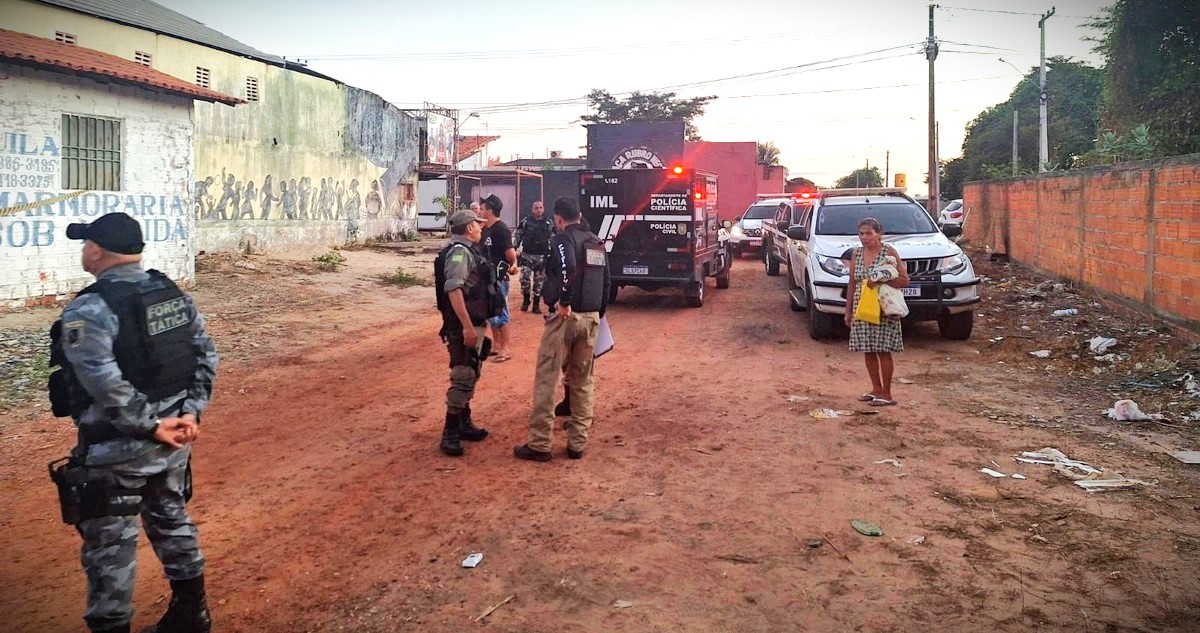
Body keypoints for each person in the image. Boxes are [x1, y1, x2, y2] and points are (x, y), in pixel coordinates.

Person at [46, 212, 218, 633]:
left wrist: (149, 425)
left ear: (97, 250)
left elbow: (102, 380)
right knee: (170, 516)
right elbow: (205, 355)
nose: (84, 250)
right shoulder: (171, 294)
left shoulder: (91, 307)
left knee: (110, 546)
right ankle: (191, 614)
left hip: (118, 446)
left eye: (86, 243)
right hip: (174, 438)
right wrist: (190, 413)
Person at [514, 196, 610, 462]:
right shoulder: (596, 242)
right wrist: (598, 314)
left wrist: (565, 303)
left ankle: (540, 444)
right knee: (582, 381)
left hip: (565, 318)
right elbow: (606, 281)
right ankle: (577, 443)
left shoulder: (562, 238)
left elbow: (568, 268)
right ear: (578, 215)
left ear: (558, 218)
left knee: (547, 378)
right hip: (590, 319)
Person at [432, 209, 500, 456]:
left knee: (471, 371)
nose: (481, 228)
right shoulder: (460, 253)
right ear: (469, 228)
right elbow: (454, 290)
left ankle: (463, 422)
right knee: (462, 374)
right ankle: (449, 432)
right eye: (478, 224)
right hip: (464, 325)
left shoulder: (468, 251)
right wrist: (467, 327)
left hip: (473, 322)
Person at [844, 217, 909, 407]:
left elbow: (904, 280)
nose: (864, 237)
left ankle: (887, 393)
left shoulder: (888, 252)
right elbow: (852, 282)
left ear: (879, 234)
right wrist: (848, 311)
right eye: (861, 233)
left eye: (869, 233)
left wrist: (881, 280)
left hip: (883, 306)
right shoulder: (857, 253)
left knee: (883, 349)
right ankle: (876, 389)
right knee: (868, 348)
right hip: (862, 305)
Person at [479, 194, 518, 362]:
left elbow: (510, 254)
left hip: (499, 278)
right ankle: (495, 346)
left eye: (482, 208)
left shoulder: (501, 229)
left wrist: (514, 264)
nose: (479, 210)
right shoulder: (484, 228)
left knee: (501, 313)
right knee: (491, 313)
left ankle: (504, 349)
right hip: (486, 277)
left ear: (490, 210)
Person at [515, 200, 554, 314]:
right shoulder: (526, 221)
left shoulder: (548, 223)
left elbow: (553, 238)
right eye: (536, 208)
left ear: (543, 209)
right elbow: (518, 235)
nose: (539, 210)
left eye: (540, 207)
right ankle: (526, 300)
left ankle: (536, 305)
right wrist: (514, 247)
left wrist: (552, 252)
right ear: (532, 210)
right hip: (527, 254)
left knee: (539, 282)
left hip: (541, 256)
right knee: (524, 279)